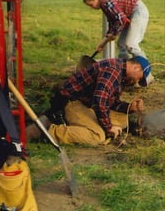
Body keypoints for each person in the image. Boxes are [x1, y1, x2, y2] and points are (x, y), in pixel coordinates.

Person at [26, 55, 154, 146]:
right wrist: (108, 127)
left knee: (123, 119)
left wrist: (129, 108)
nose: (136, 82)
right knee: (97, 136)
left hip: (87, 103)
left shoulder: (120, 74)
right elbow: (99, 101)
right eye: (139, 78)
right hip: (70, 102)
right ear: (137, 68)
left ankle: (91, 126)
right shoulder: (113, 71)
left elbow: (109, 102)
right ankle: (49, 131)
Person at [83, 0, 149, 59]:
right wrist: (103, 43)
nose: (91, 8)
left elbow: (121, 20)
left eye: (91, 4)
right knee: (122, 44)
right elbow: (113, 23)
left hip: (138, 11)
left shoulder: (106, 2)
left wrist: (114, 34)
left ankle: (145, 67)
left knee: (131, 44)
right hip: (128, 15)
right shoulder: (104, 4)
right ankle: (125, 67)